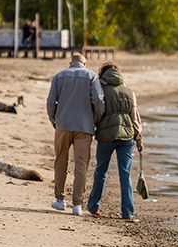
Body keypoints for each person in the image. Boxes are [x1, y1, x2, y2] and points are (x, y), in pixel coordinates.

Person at [46, 53, 105, 216]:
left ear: (70, 63)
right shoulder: (92, 76)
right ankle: (77, 205)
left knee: (60, 162)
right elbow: (99, 100)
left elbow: (50, 102)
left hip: (63, 125)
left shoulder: (59, 76)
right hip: (84, 127)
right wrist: (97, 119)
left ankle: (59, 200)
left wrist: (54, 121)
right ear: (85, 63)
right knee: (81, 166)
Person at [86, 62, 143, 219]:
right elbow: (135, 118)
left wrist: (95, 126)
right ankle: (128, 212)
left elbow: (97, 114)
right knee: (125, 174)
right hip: (127, 137)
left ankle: (93, 206)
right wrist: (139, 139)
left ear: (103, 75)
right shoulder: (129, 92)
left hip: (106, 136)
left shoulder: (101, 90)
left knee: (101, 171)